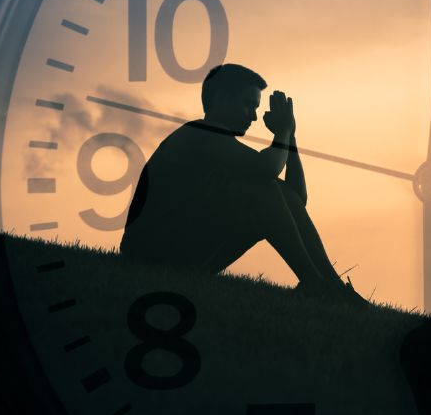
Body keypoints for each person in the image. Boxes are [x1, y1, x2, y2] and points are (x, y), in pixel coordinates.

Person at [119, 63, 364, 304]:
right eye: (249, 105)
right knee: (261, 187)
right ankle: (316, 284)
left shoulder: (222, 146)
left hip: (181, 248)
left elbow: (295, 198)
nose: (255, 116)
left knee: (272, 193)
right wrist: (282, 133)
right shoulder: (201, 133)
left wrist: (291, 136)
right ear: (222, 99)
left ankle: (330, 286)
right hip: (151, 252)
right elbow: (267, 170)